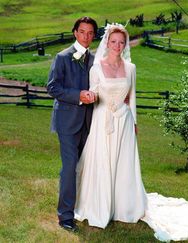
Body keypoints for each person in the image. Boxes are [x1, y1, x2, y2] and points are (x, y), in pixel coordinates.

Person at [74, 23, 188, 241]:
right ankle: (101, 204)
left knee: (123, 164)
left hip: (124, 121)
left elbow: (131, 98)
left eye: (122, 42)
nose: (118, 45)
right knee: (102, 161)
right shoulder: (96, 67)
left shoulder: (130, 68)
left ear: (125, 44)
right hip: (103, 120)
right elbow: (93, 93)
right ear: (107, 42)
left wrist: (134, 123)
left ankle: (124, 206)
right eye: (114, 41)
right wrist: (90, 97)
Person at [47, 16, 98, 231]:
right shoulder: (62, 57)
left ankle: (86, 208)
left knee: (87, 167)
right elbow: (52, 87)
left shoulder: (96, 59)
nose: (86, 36)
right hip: (67, 122)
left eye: (90, 33)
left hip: (90, 122)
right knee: (69, 169)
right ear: (75, 32)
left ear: (94, 36)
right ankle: (65, 216)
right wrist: (79, 95)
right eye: (82, 31)